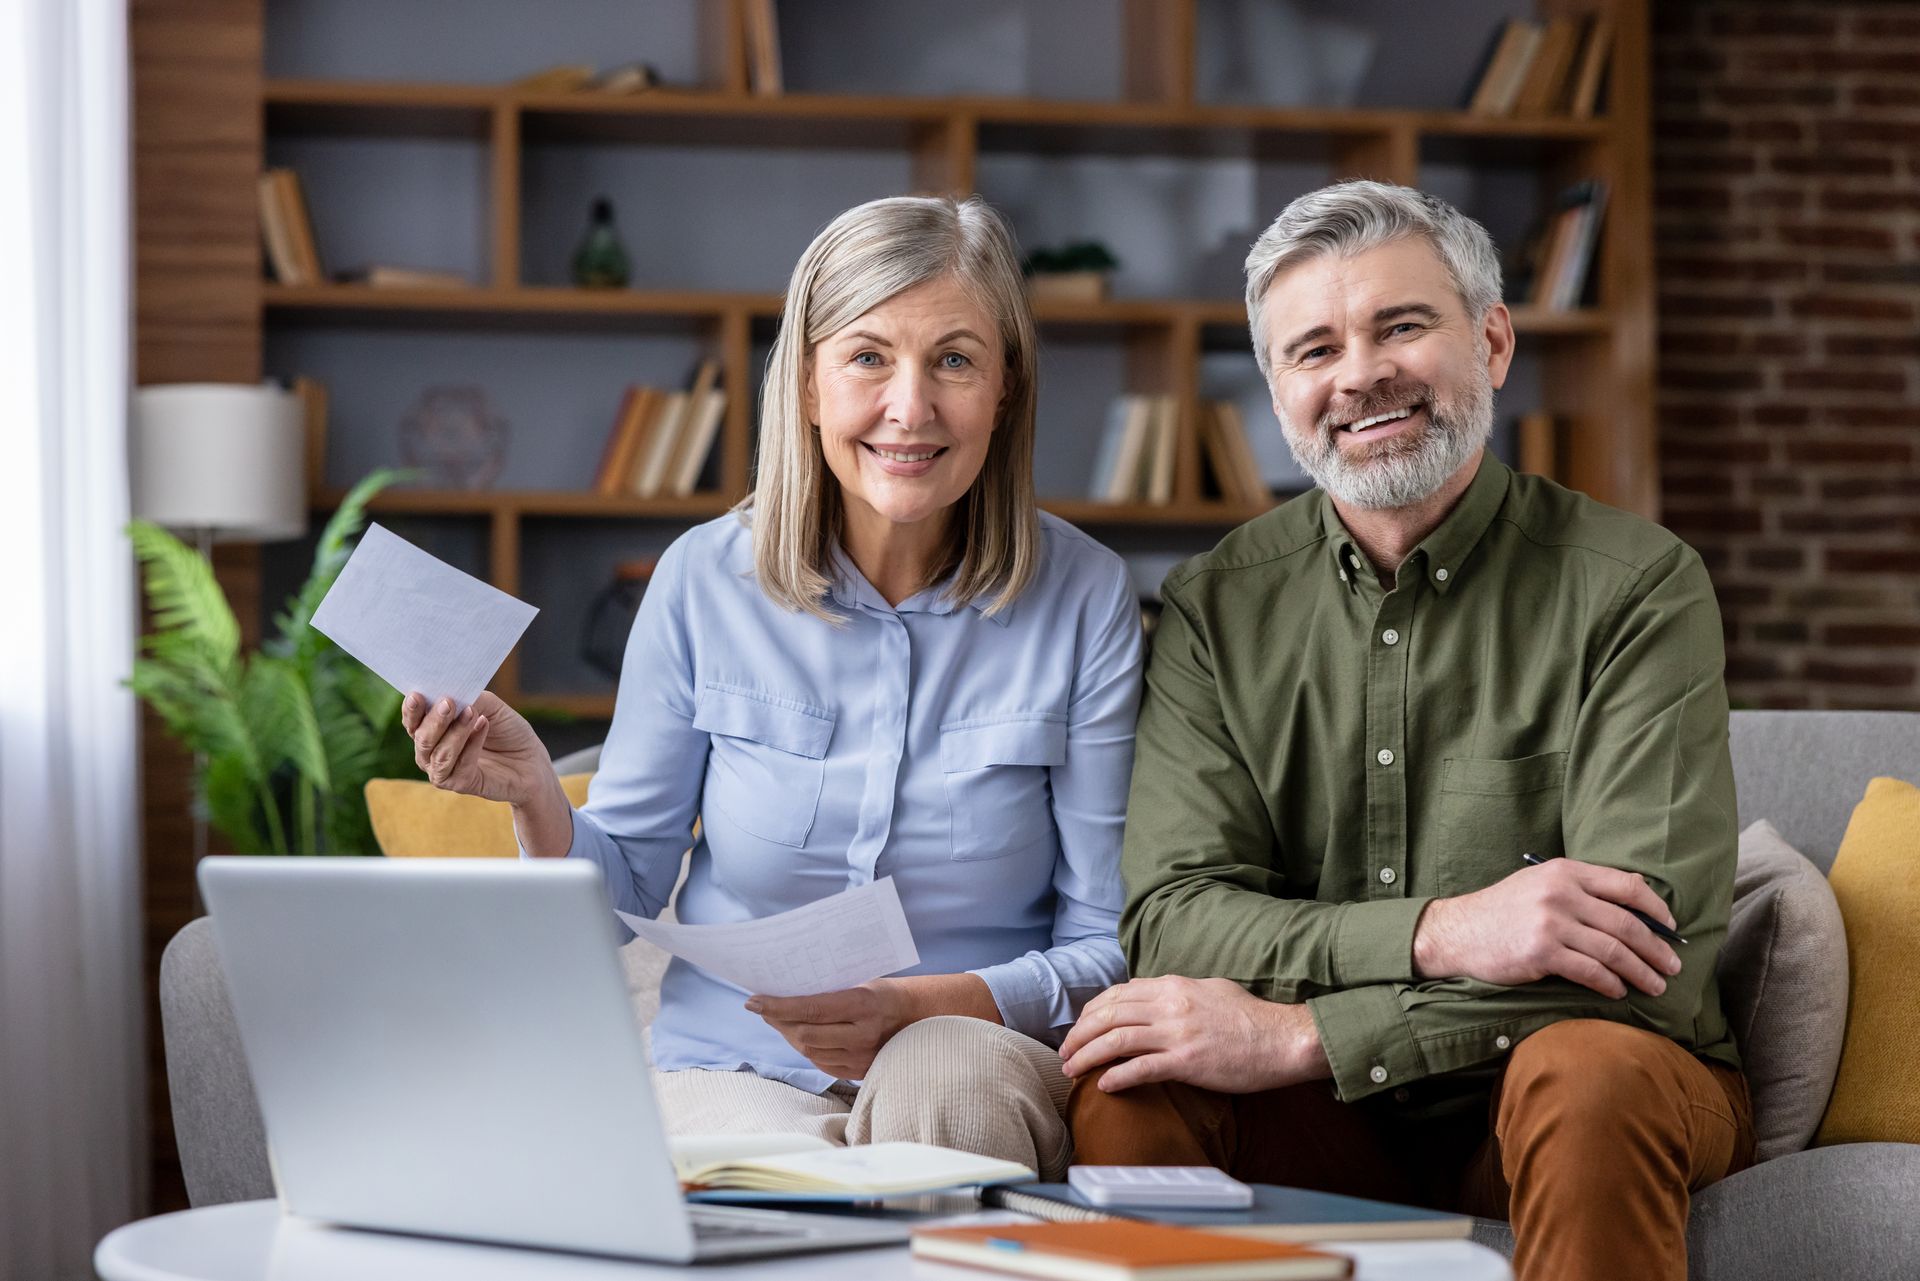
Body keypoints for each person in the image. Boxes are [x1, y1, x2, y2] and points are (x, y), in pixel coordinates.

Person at [1059, 181, 1750, 1281]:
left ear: (1492, 340)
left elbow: (1641, 958)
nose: (1360, 374)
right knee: (1133, 1076)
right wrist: (1444, 932)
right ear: (1280, 393)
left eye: (1401, 325)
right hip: (1322, 1123)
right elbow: (1178, 919)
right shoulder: (1215, 604)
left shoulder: (1638, 587)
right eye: (1313, 349)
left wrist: (1300, 1033)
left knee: (1587, 1072)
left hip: (1588, 1092)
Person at [402, 195, 1143, 1180]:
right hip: (737, 1058)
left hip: (966, 1052)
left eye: (955, 360)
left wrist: (925, 1005)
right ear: (806, 383)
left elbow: (1109, 946)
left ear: (1005, 389)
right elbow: (621, 883)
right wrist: (538, 795)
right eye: (868, 357)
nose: (909, 407)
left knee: (943, 1081)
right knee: (716, 1171)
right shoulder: (704, 581)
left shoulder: (1087, 597)